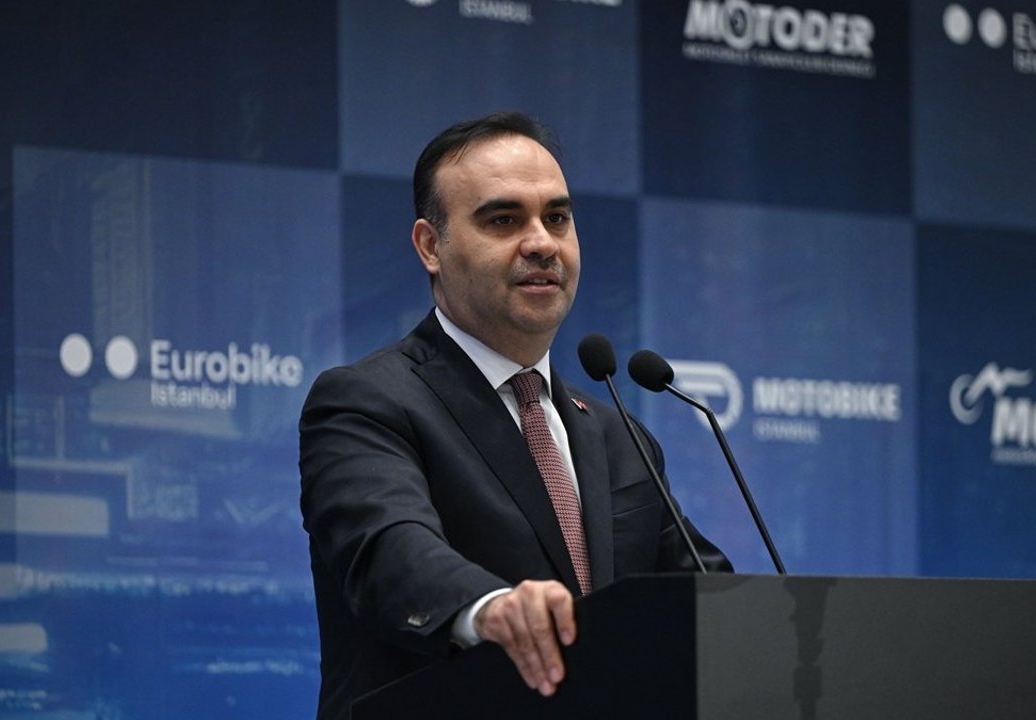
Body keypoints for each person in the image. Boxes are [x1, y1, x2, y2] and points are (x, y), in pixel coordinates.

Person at [299, 111, 730, 720]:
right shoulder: (365, 401)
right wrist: (490, 608)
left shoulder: (619, 435)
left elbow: (705, 599)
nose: (541, 243)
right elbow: (390, 551)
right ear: (431, 246)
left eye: (557, 218)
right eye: (503, 220)